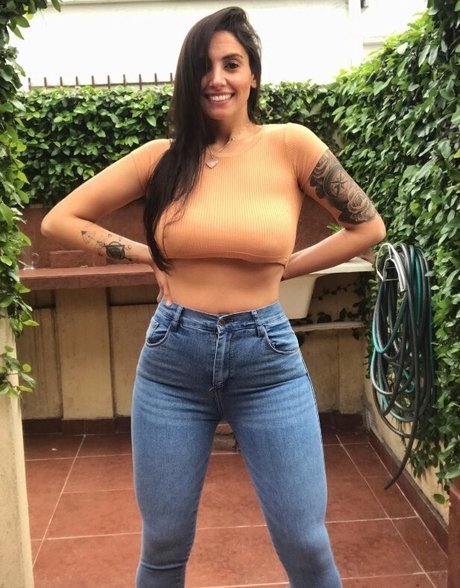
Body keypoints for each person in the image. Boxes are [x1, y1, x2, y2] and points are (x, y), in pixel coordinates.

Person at [41, 6, 386, 587]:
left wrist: (286, 268)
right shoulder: (161, 159)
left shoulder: (291, 145)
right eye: (204, 66)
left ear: (252, 74)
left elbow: (367, 227)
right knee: (164, 544)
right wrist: (149, 255)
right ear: (188, 77)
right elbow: (60, 220)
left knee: (305, 542)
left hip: (267, 361)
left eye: (231, 63)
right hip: (173, 362)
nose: (217, 78)